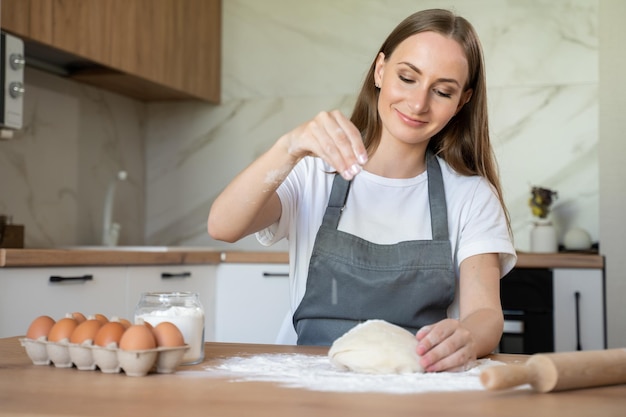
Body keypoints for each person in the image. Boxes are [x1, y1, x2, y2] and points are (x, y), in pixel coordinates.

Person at [208, 8, 516, 372]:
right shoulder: (314, 172)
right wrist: (289, 147)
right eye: (407, 77)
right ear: (380, 69)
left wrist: (467, 337)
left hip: (417, 386)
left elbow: (484, 314)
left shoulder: (471, 195)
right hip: (309, 383)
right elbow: (222, 226)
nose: (419, 104)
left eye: (442, 91)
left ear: (461, 102)